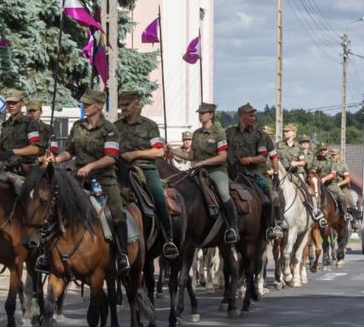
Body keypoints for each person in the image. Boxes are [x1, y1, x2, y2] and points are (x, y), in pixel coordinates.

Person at [43, 87, 129, 275]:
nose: (85, 106)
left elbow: (112, 157)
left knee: (116, 213)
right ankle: (46, 255)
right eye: (84, 103)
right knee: (54, 207)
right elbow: (70, 151)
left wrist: (90, 166)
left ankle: (122, 255)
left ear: (99, 106)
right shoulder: (77, 126)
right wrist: (55, 160)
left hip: (103, 178)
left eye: (88, 104)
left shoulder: (109, 129)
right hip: (77, 178)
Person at [114, 90, 179, 259]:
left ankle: (168, 239)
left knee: (158, 195)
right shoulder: (116, 126)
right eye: (121, 105)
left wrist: (135, 154)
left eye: (127, 105)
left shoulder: (150, 126)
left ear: (137, 104)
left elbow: (158, 152)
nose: (123, 109)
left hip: (145, 168)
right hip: (118, 168)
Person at [167, 102, 239, 244]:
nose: (200, 116)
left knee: (224, 193)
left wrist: (204, 162)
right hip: (197, 171)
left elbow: (223, 156)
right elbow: (191, 156)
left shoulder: (219, 133)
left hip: (216, 170)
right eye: (199, 113)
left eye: (203, 113)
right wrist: (173, 150)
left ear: (211, 114)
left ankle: (232, 226)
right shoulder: (196, 134)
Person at [225, 103, 282, 241]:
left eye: (254, 115)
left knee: (268, 197)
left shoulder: (260, 135)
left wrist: (250, 160)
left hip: (255, 174)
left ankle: (270, 226)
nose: (254, 117)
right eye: (250, 115)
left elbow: (263, 157)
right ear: (242, 116)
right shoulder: (229, 133)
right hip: (231, 173)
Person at [0, 88, 43, 194]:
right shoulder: (6, 125)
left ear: (22, 103)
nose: (11, 105)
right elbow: (1, 151)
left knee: (25, 200)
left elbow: (35, 148)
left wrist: (13, 152)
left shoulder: (30, 123)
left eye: (14, 103)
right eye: (8, 102)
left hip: (26, 173)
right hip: (6, 171)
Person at [277, 123, 327, 227]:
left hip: (294, 173)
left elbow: (303, 162)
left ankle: (315, 212)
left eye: (287, 131)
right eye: (284, 131)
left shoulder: (298, 147)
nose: (285, 133)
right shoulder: (279, 145)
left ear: (293, 133)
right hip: (281, 173)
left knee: (305, 190)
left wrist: (296, 163)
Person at [329, 147, 356, 222]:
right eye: (332, 155)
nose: (334, 156)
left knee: (351, 203)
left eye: (335, 155)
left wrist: (338, 184)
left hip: (342, 187)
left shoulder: (342, 165)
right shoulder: (328, 164)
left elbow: (347, 179)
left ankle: (353, 220)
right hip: (329, 186)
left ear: (338, 155)